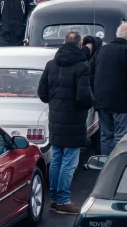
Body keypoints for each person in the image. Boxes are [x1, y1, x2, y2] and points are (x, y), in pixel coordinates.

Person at [38, 31, 93, 214]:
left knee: (56, 160)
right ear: (79, 45)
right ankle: (63, 200)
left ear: (64, 43)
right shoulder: (82, 67)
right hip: (74, 121)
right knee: (69, 163)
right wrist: (90, 103)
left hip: (55, 119)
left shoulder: (50, 65)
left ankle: (54, 199)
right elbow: (84, 96)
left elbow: (42, 93)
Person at [91, 23, 127, 156]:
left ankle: (105, 167)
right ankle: (119, 168)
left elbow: (90, 72)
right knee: (121, 136)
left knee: (105, 136)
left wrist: (95, 92)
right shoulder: (125, 50)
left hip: (102, 101)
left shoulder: (101, 50)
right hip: (122, 103)